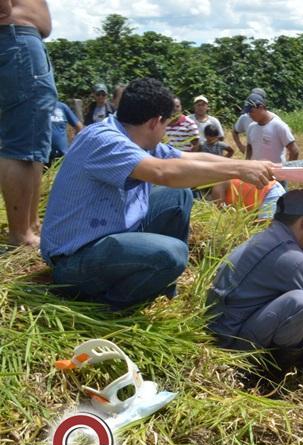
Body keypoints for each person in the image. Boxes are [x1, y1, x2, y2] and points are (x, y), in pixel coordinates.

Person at [39, 78, 277, 308]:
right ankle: (111, 303)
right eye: (165, 125)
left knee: (178, 196)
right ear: (155, 122)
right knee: (172, 254)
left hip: (110, 237)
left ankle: (158, 282)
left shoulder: (134, 138)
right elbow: (164, 173)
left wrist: (247, 166)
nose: (165, 132)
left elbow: (188, 158)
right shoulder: (103, 140)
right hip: (75, 261)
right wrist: (239, 169)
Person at [206, 190, 303, 386]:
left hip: (221, 330)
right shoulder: (292, 257)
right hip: (232, 347)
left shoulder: (266, 239)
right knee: (302, 304)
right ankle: (266, 377)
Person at [0, 0, 57, 247]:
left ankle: (30, 226)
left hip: (15, 38)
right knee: (25, 142)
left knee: (30, 139)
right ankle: (21, 234)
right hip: (15, 37)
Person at [244, 92, 298, 165]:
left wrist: (287, 169)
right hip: (257, 173)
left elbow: (294, 151)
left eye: (251, 111)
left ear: (261, 107)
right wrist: (247, 164)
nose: (249, 115)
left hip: (276, 172)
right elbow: (250, 147)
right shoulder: (251, 127)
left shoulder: (279, 126)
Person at [232, 88, 266, 154]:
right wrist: (240, 146)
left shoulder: (273, 121)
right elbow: (235, 132)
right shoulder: (245, 117)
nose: (250, 114)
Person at [48, 100, 83, 164]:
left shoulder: (62, 107)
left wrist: (75, 146)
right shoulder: (37, 106)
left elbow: (79, 127)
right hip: (43, 158)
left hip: (62, 156)